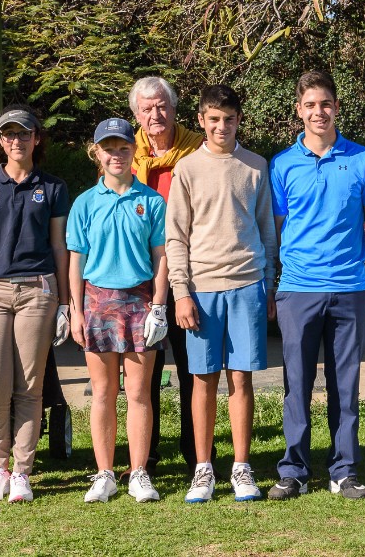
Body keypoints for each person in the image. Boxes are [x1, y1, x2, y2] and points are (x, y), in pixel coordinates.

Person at [268, 70, 365, 501]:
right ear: (299, 110)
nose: (319, 112)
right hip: (298, 289)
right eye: (310, 105)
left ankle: (344, 470)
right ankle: (294, 469)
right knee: (296, 382)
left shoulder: (363, 159)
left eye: (326, 104)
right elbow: (278, 231)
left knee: (345, 384)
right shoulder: (282, 164)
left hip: (350, 286)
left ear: (336, 106)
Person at [165, 84, 278, 503]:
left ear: (238, 120)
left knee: (241, 378)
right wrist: (181, 292)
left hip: (248, 283)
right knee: (202, 380)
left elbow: (267, 230)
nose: (221, 126)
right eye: (214, 119)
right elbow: (175, 235)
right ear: (201, 120)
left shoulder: (255, 165)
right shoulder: (188, 169)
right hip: (201, 288)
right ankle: (203, 468)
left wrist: (269, 283)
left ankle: (242, 467)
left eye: (229, 119)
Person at [0, 105, 70, 503]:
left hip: (37, 292)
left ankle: (22, 472)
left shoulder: (54, 187)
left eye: (24, 134)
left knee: (28, 386)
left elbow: (59, 246)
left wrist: (64, 302)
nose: (16, 140)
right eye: (9, 134)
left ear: (36, 138)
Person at [67, 118, 170, 504]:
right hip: (98, 302)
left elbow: (161, 258)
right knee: (103, 393)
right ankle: (105, 473)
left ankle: (139, 472)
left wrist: (159, 306)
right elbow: (76, 261)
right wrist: (75, 310)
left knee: (140, 393)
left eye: (123, 147)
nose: (116, 154)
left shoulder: (152, 201)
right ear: (97, 153)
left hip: (140, 302)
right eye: (108, 148)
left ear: (134, 151)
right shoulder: (85, 203)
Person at [128, 76, 215, 478]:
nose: (155, 114)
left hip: (190, 273)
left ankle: (197, 455)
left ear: (175, 109)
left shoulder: (200, 148)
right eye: (146, 108)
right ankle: (146, 458)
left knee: (191, 366)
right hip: (138, 275)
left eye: (161, 106)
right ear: (136, 114)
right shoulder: (124, 152)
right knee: (143, 371)